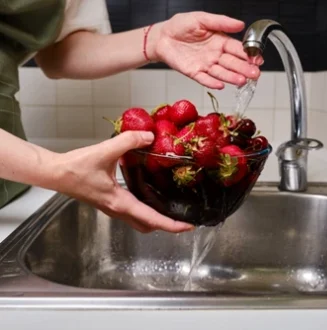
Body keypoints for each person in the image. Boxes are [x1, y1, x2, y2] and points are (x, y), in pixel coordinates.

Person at [0, 0, 263, 234]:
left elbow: (61, 52)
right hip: (27, 167)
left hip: (14, 179)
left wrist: (156, 39)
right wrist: (56, 170)